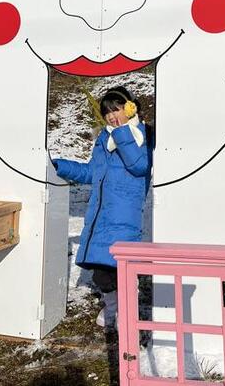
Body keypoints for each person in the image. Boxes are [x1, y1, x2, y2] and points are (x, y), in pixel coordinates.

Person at [52, 87, 153, 329]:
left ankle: (127, 314)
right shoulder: (105, 139)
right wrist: (60, 166)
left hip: (124, 216)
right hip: (101, 215)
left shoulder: (141, 134)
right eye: (107, 113)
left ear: (130, 108)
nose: (112, 116)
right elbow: (92, 172)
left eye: (116, 109)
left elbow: (140, 166)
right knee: (101, 273)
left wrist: (121, 134)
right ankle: (114, 307)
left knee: (120, 269)